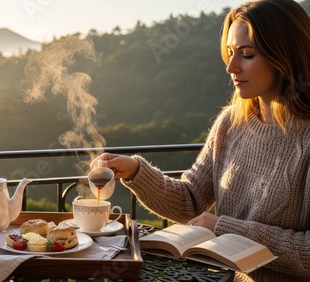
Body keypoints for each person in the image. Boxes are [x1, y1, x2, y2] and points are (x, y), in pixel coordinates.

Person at [90, 0, 310, 281]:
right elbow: (190, 202)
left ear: (285, 55)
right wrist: (135, 171)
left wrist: (226, 228)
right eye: (230, 53)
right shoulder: (230, 123)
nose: (231, 66)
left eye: (247, 54)